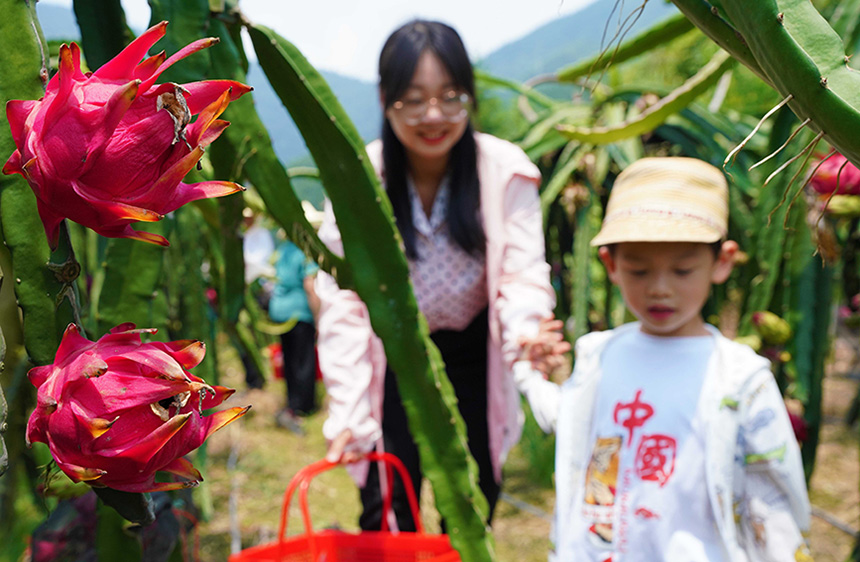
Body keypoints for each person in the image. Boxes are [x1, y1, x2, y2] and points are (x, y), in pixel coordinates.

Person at [315, 19, 557, 531]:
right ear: (385, 99)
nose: (433, 116)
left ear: (469, 95)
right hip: (394, 356)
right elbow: (344, 299)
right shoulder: (360, 177)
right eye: (413, 99)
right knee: (386, 496)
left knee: (473, 495)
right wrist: (348, 408)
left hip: (474, 352)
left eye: (451, 96)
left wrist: (528, 334)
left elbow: (521, 275)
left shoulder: (504, 169)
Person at [516, 157, 812, 560]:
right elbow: (572, 422)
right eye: (638, 271)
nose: (660, 289)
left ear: (722, 262)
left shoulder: (740, 377)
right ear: (611, 264)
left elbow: (772, 490)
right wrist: (530, 374)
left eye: (683, 270)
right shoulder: (598, 354)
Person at [268, 232, 320, 433]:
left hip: (280, 310)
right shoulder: (304, 253)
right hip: (300, 312)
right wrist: (319, 317)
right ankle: (304, 406)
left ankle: (292, 402)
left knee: (290, 360)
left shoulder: (283, 249)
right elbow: (309, 286)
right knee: (304, 361)